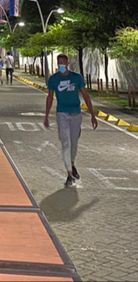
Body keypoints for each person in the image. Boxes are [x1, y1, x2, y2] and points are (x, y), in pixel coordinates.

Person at [44, 53, 97, 187]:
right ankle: (69, 174)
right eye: (59, 62)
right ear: (57, 64)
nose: (61, 65)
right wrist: (46, 116)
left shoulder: (77, 78)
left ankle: (72, 164)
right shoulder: (53, 79)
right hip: (62, 113)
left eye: (63, 62)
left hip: (76, 114)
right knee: (65, 143)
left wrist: (92, 114)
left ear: (67, 63)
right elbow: (50, 97)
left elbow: (85, 96)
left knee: (74, 143)